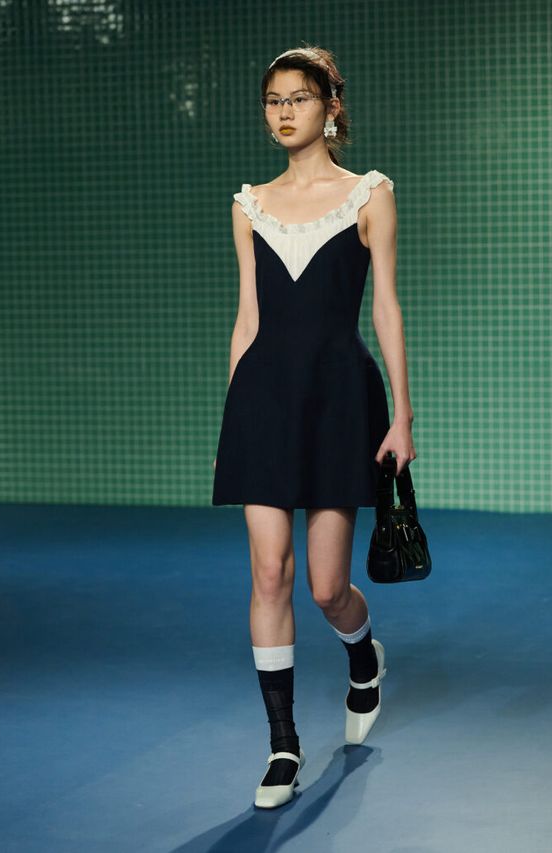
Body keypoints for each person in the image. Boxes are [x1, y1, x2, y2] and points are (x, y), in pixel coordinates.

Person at [211, 44, 416, 808]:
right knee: (269, 573)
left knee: (328, 587)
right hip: (262, 401)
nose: (284, 111)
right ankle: (282, 744)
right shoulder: (249, 204)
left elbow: (385, 306)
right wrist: (235, 415)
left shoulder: (369, 194)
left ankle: (364, 656)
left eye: (298, 97)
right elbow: (248, 318)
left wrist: (402, 414)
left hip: (339, 400)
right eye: (273, 100)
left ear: (331, 105)